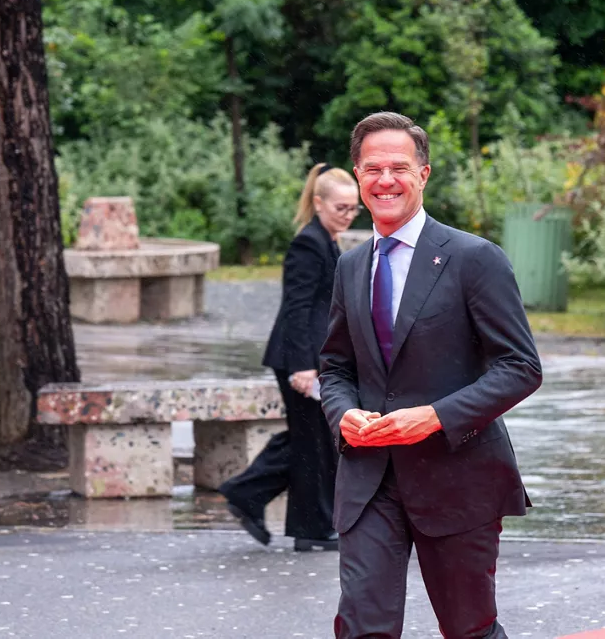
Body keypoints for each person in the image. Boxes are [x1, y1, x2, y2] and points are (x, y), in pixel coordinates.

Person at [319, 111, 543, 639]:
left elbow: (521, 367)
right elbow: (335, 366)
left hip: (457, 476)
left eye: (399, 167)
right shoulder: (350, 267)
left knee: (469, 629)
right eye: (373, 169)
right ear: (357, 175)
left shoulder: (474, 258)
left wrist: (436, 417)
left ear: (423, 174)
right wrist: (342, 412)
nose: (386, 180)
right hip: (369, 478)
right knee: (362, 628)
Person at [220, 162, 362, 552]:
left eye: (354, 209)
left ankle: (251, 496)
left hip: (310, 358)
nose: (348, 215)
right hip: (298, 359)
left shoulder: (327, 239)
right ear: (319, 203)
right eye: (341, 208)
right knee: (314, 440)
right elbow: (297, 308)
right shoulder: (309, 243)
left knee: (311, 438)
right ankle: (305, 525)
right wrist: (304, 365)